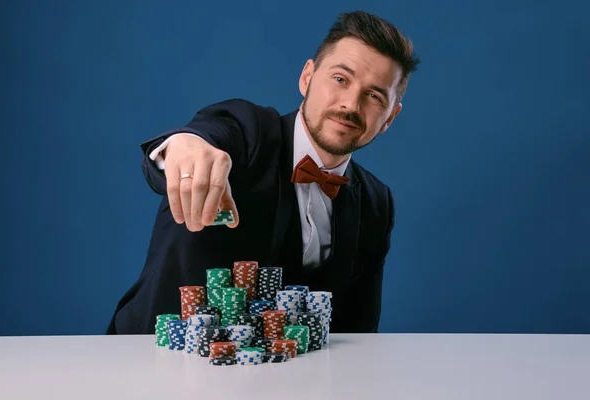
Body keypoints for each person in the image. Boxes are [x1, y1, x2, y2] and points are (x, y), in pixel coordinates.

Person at [106, 10, 420, 335]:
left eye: (373, 96)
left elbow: (358, 334)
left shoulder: (377, 202)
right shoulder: (249, 133)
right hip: (150, 356)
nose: (351, 105)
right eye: (340, 79)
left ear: (390, 118)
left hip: (283, 378)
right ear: (307, 78)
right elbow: (203, 136)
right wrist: (184, 147)